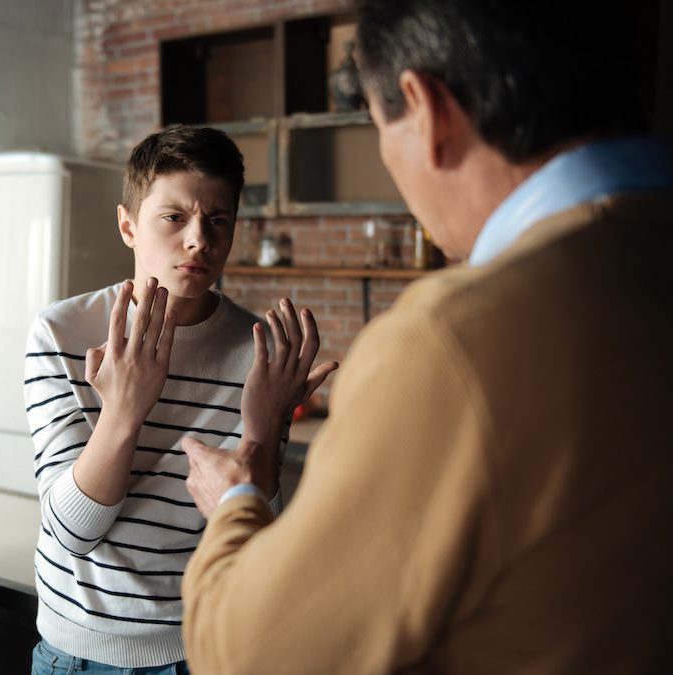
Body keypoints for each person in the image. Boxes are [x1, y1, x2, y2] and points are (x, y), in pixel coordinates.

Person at [179, 0, 673, 673]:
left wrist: (235, 501)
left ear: (427, 108)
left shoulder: (452, 339)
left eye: (382, 129)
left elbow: (248, 655)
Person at [23, 125, 333, 673]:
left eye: (219, 221)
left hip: (204, 648)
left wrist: (264, 428)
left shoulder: (259, 350)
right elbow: (73, 531)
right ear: (128, 226)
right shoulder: (62, 334)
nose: (199, 240)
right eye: (174, 218)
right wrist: (123, 411)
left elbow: (257, 531)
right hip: (79, 655)